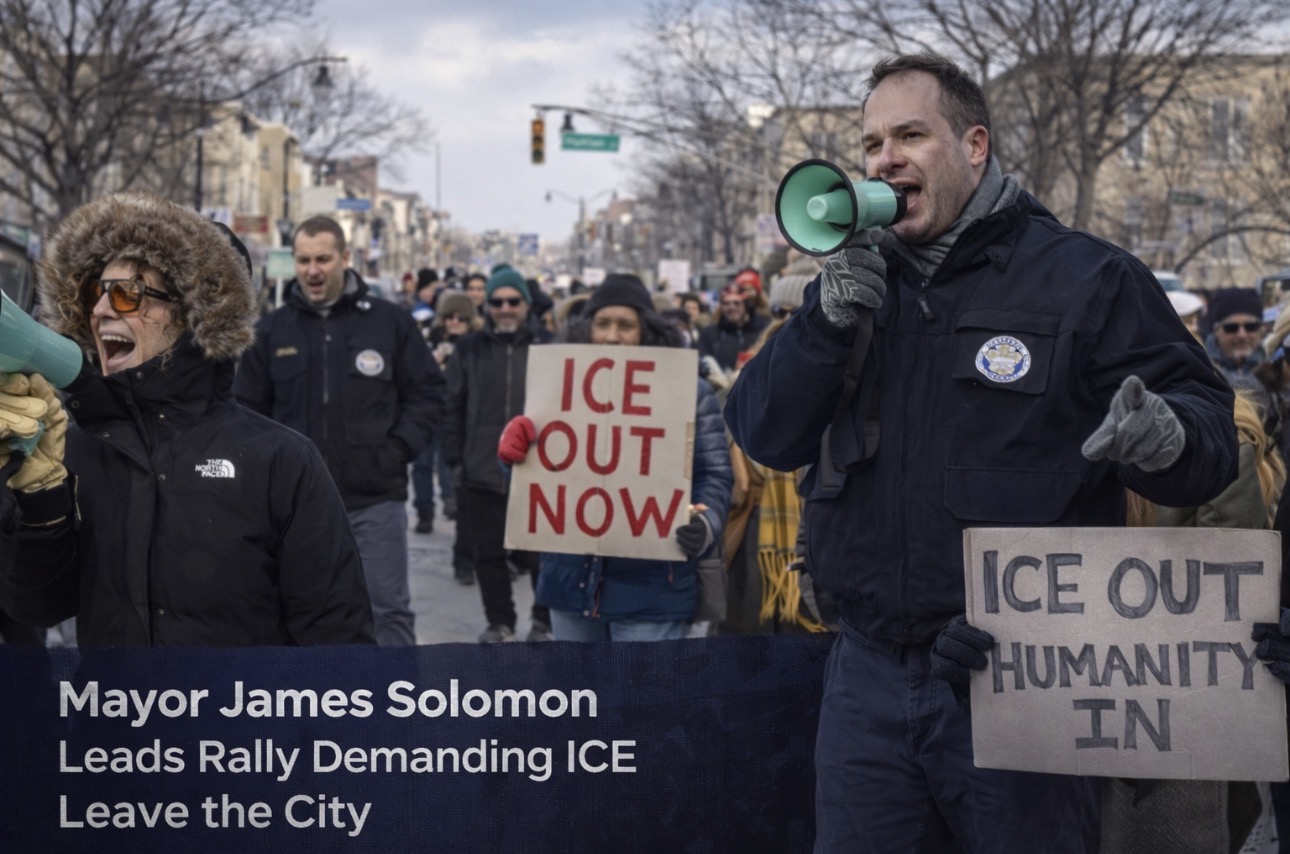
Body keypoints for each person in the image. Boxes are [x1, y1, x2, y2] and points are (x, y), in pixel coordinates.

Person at [726, 53, 1238, 852]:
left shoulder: (1086, 278)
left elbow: (1209, 437)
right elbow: (763, 434)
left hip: (1023, 682)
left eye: (909, 135)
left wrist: (1165, 436)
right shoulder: (853, 284)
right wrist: (824, 324)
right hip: (866, 682)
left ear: (974, 146)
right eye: (869, 145)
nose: (884, 159)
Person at [0, 193, 374, 646]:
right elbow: (38, 608)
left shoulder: (281, 461)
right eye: (97, 293)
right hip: (112, 717)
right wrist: (39, 502)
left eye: (126, 294)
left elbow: (338, 642)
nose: (99, 312)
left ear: (196, 316)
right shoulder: (73, 451)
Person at [234, 215, 444, 647]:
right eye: (304, 259)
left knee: (386, 612)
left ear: (346, 258)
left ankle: (395, 708)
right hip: (294, 509)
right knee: (296, 615)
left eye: (323, 259)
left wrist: (399, 448)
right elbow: (245, 412)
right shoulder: (271, 331)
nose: (312, 270)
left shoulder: (390, 322)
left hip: (374, 500)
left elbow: (427, 392)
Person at [497, 274, 732, 641]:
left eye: (626, 326)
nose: (611, 336)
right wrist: (514, 456)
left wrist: (705, 524)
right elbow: (539, 484)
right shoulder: (556, 388)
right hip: (570, 587)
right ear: (586, 329)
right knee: (579, 699)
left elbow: (714, 474)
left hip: (653, 592)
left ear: (645, 332)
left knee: (640, 699)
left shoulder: (688, 391)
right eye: (602, 324)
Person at [444, 264, 552, 643]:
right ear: (487, 306)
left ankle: (543, 620)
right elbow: (452, 405)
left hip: (539, 472)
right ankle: (500, 621)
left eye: (513, 301)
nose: (505, 308)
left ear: (526, 303)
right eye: (497, 302)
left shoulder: (549, 347)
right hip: (481, 470)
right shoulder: (469, 349)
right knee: (488, 554)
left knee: (542, 558)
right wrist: (455, 462)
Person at [697, 278, 770, 374]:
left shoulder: (763, 331)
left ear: (746, 305)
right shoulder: (709, 333)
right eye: (726, 303)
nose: (731, 307)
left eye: (736, 303)